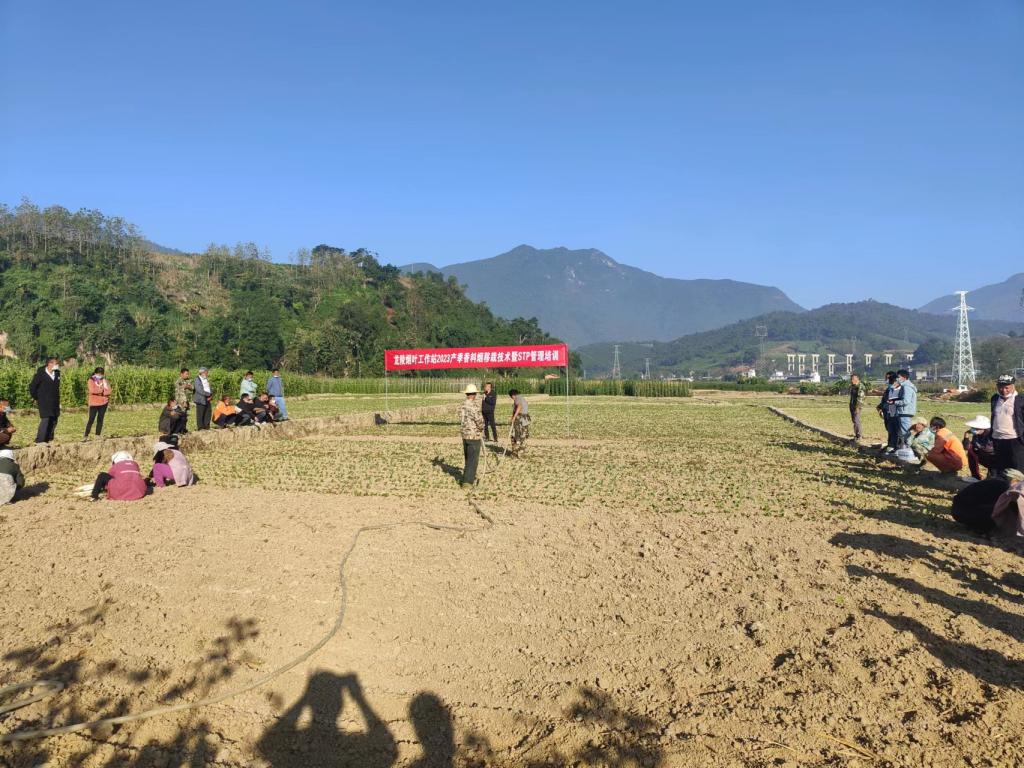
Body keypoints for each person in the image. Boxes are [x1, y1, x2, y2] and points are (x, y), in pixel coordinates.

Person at [990, 374, 1024, 476]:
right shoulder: (995, 398)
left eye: (1006, 388)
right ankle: (1003, 485)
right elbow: (994, 416)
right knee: (1001, 468)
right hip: (997, 439)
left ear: (1013, 386)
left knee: (1017, 469)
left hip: (1015, 439)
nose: (1003, 390)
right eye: (1000, 387)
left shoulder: (1021, 400)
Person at [28, 356, 61, 444]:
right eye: (56, 363)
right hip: (44, 401)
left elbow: (56, 388)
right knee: (46, 419)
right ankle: (40, 440)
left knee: (54, 419)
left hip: (54, 401)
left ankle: (48, 439)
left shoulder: (57, 373)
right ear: (50, 364)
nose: (57, 365)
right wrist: (36, 397)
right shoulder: (40, 374)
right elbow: (32, 387)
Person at [458, 384, 484, 488]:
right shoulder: (474, 406)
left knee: (468, 458)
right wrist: (482, 429)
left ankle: (471, 474)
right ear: (473, 395)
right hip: (473, 435)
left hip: (464, 434)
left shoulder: (462, 405)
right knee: (473, 459)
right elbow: (479, 421)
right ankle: (467, 482)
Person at [963, 415, 997, 481]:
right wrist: (966, 437)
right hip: (984, 456)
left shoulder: (991, 435)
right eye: (973, 427)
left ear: (983, 428)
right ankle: (975, 476)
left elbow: (989, 450)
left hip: (994, 459)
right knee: (971, 451)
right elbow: (966, 448)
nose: (973, 429)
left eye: (976, 428)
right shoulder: (976, 435)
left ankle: (993, 476)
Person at [84, 367, 113, 440]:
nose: (100, 375)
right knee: (91, 419)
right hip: (94, 403)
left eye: (101, 374)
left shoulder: (105, 381)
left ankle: (97, 435)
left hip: (103, 402)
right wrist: (102, 390)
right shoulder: (91, 380)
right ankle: (86, 435)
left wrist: (101, 392)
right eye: (98, 374)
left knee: (100, 419)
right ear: (95, 373)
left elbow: (109, 391)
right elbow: (92, 390)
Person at [894, 369, 917, 448]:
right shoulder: (905, 386)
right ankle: (902, 446)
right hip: (904, 411)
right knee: (903, 431)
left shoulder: (906, 387)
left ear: (904, 377)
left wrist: (894, 402)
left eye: (898, 377)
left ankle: (907, 447)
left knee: (905, 431)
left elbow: (906, 401)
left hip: (905, 412)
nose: (897, 379)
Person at [876, 371, 898, 452]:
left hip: (891, 410)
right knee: (889, 428)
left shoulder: (894, 388)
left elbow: (890, 400)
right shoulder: (890, 388)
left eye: (887, 378)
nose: (886, 379)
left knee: (892, 428)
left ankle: (892, 445)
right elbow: (885, 399)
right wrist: (880, 407)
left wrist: (883, 407)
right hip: (886, 409)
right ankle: (890, 444)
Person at [508, 389, 531, 456]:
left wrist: (514, 417)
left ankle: (516, 452)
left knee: (516, 435)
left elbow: (519, 406)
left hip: (520, 420)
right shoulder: (522, 398)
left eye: (511, 397)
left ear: (513, 395)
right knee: (522, 435)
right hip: (524, 420)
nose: (512, 398)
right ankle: (521, 451)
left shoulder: (517, 398)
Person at [848, 373, 866, 440]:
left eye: (853, 379)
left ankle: (859, 435)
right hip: (852, 405)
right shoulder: (853, 386)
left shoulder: (860, 386)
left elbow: (860, 398)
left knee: (856, 420)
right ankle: (857, 435)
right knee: (854, 420)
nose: (851, 380)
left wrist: (857, 407)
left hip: (857, 406)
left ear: (857, 379)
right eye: (851, 379)